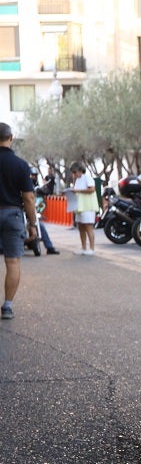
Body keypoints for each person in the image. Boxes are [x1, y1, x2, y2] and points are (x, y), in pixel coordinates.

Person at [0, 122, 38, 320]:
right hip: (13, 214)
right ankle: (7, 306)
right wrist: (32, 224)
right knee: (12, 261)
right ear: (11, 138)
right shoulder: (21, 165)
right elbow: (29, 198)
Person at [68, 162, 99, 255]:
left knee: (88, 227)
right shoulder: (77, 180)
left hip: (88, 206)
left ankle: (92, 248)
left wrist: (78, 190)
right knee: (81, 227)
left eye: (75, 172)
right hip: (80, 206)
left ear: (80, 171)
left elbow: (92, 189)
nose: (74, 174)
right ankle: (84, 247)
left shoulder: (87, 178)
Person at [28, 167, 59, 255]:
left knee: (40, 225)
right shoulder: (23, 185)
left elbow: (47, 191)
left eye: (34, 176)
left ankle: (49, 247)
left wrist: (49, 182)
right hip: (23, 209)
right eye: (31, 175)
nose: (33, 177)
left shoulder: (37, 187)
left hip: (32, 209)